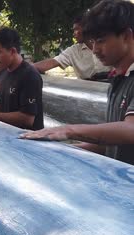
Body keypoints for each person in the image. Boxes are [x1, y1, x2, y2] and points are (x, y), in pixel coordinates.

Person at [21, 0, 134, 165]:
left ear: (126, 36)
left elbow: (131, 130)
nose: (95, 50)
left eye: (101, 41)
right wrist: (67, 151)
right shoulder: (118, 80)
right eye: (93, 42)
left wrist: (68, 130)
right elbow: (113, 143)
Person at [33, 15, 112, 81]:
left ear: (87, 28)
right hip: (86, 91)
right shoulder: (73, 51)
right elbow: (53, 62)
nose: (74, 34)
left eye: (76, 29)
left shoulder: (108, 43)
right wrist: (25, 68)